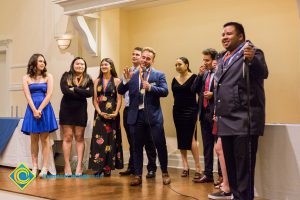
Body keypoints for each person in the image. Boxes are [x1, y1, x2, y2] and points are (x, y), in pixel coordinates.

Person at [212, 22, 268, 200]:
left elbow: (263, 72)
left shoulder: (251, 52)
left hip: (244, 120)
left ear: (241, 36)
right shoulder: (223, 57)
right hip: (225, 120)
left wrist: (252, 60)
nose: (224, 37)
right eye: (222, 34)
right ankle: (236, 197)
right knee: (232, 169)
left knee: (244, 172)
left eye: (229, 34)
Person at [118, 47, 171, 186]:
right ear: (140, 58)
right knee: (136, 147)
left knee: (160, 145)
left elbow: (165, 91)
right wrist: (126, 81)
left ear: (152, 60)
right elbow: (120, 90)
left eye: (148, 58)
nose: (145, 60)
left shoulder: (158, 75)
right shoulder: (132, 75)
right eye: (143, 57)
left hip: (153, 117)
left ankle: (165, 172)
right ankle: (137, 175)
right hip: (136, 116)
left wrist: (151, 88)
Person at [119, 47, 157, 177]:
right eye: (133, 54)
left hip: (144, 110)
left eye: (138, 55)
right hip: (129, 109)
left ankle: (151, 168)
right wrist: (126, 80)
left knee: (149, 141)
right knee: (132, 141)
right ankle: (133, 167)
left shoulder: (150, 73)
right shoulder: (127, 72)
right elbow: (121, 90)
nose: (135, 56)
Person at [21, 53, 58, 178]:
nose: (43, 63)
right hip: (32, 109)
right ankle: (34, 167)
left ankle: (45, 167)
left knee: (45, 139)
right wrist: (34, 110)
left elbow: (49, 94)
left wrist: (40, 109)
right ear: (33, 63)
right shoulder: (26, 77)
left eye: (44, 61)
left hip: (45, 109)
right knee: (33, 139)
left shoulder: (48, 76)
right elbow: (27, 96)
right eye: (40, 61)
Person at [89, 58, 123, 177]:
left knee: (110, 140)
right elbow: (94, 99)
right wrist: (99, 111)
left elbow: (119, 99)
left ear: (111, 67)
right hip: (99, 114)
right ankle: (99, 167)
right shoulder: (96, 81)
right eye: (102, 64)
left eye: (106, 64)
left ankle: (108, 167)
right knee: (98, 140)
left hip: (112, 114)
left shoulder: (117, 81)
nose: (103, 66)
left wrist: (116, 112)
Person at [191, 48, 222, 183]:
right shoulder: (204, 74)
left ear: (214, 60)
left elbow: (225, 92)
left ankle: (221, 175)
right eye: (203, 60)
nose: (204, 63)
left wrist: (213, 95)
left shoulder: (220, 73)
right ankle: (208, 174)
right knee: (208, 146)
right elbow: (193, 89)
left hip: (216, 115)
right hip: (203, 114)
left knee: (220, 147)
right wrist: (199, 74)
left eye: (207, 60)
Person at [59, 57, 94, 176]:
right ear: (73, 65)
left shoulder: (88, 78)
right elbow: (65, 91)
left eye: (82, 64)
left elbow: (90, 93)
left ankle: (79, 165)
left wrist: (74, 89)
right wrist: (81, 92)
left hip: (80, 111)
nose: (79, 66)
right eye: (77, 63)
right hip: (66, 110)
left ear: (85, 66)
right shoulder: (66, 76)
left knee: (79, 137)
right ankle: (67, 166)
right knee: (67, 137)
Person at [171, 57, 202, 179]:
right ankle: (185, 166)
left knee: (191, 139)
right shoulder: (174, 79)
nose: (177, 66)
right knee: (181, 137)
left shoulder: (195, 77)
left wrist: (198, 111)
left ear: (187, 64)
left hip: (191, 110)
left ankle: (198, 167)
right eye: (176, 64)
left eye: (180, 64)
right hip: (177, 111)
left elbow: (200, 95)